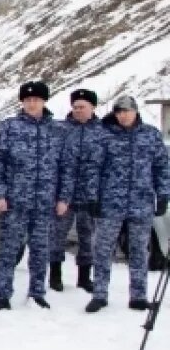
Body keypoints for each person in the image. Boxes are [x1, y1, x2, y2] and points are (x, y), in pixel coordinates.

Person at [0, 81, 72, 310]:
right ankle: (3, 293)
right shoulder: (9, 128)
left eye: (36, 100)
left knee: (40, 251)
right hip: (15, 201)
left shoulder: (57, 130)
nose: (32, 104)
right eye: (27, 100)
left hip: (45, 202)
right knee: (9, 250)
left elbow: (66, 167)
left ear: (44, 101)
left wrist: (63, 198)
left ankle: (37, 292)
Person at [83, 95, 170, 312]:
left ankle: (138, 296)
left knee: (139, 250)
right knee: (103, 249)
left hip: (141, 202)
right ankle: (100, 295)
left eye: (127, 111)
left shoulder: (150, 135)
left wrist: (163, 194)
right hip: (110, 203)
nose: (123, 116)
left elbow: (161, 167)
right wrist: (92, 197)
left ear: (135, 112)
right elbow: (92, 168)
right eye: (119, 112)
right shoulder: (103, 135)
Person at [49, 88, 104, 294]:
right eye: (75, 107)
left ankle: (84, 278)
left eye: (82, 107)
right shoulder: (60, 130)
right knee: (57, 235)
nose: (78, 110)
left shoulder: (103, 132)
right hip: (64, 194)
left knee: (87, 236)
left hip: (90, 195)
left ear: (93, 107)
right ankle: (55, 276)